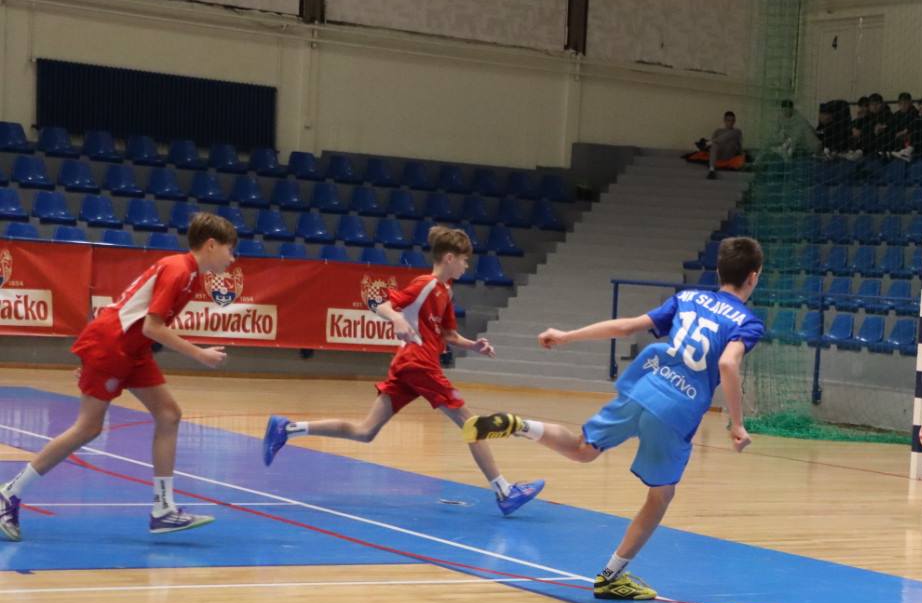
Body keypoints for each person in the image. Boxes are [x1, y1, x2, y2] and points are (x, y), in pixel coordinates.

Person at [462, 236, 766, 601]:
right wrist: (737, 424)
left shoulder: (688, 298)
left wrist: (567, 336)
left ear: (718, 270)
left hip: (645, 384)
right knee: (660, 496)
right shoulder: (748, 322)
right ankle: (611, 576)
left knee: (582, 448)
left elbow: (626, 327)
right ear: (753, 277)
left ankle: (519, 426)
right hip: (678, 409)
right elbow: (728, 363)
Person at [261, 226, 543, 517]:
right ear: (449, 258)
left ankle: (288, 429)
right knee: (471, 423)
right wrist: (396, 319)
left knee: (365, 431)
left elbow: (448, 334)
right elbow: (382, 304)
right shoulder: (426, 284)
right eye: (464, 260)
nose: (467, 265)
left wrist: (474, 345)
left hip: (408, 366)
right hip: (418, 363)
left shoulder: (446, 291)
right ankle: (504, 491)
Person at [1, 213, 238, 541]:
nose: (232, 258)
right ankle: (9, 492)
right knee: (88, 428)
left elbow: (142, 325)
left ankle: (163, 509)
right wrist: (200, 354)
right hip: (112, 344)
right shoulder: (178, 269)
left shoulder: (191, 276)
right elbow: (152, 327)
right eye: (230, 250)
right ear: (211, 245)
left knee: (169, 415)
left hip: (132, 349)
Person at [683, 111, 745, 178]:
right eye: (728, 120)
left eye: (732, 120)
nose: (730, 122)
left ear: (734, 121)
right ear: (724, 120)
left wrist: (741, 153)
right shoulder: (718, 131)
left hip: (729, 153)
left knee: (734, 132)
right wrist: (711, 144)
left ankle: (707, 143)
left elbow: (739, 147)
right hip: (719, 153)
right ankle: (711, 170)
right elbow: (713, 146)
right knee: (715, 144)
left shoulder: (737, 132)